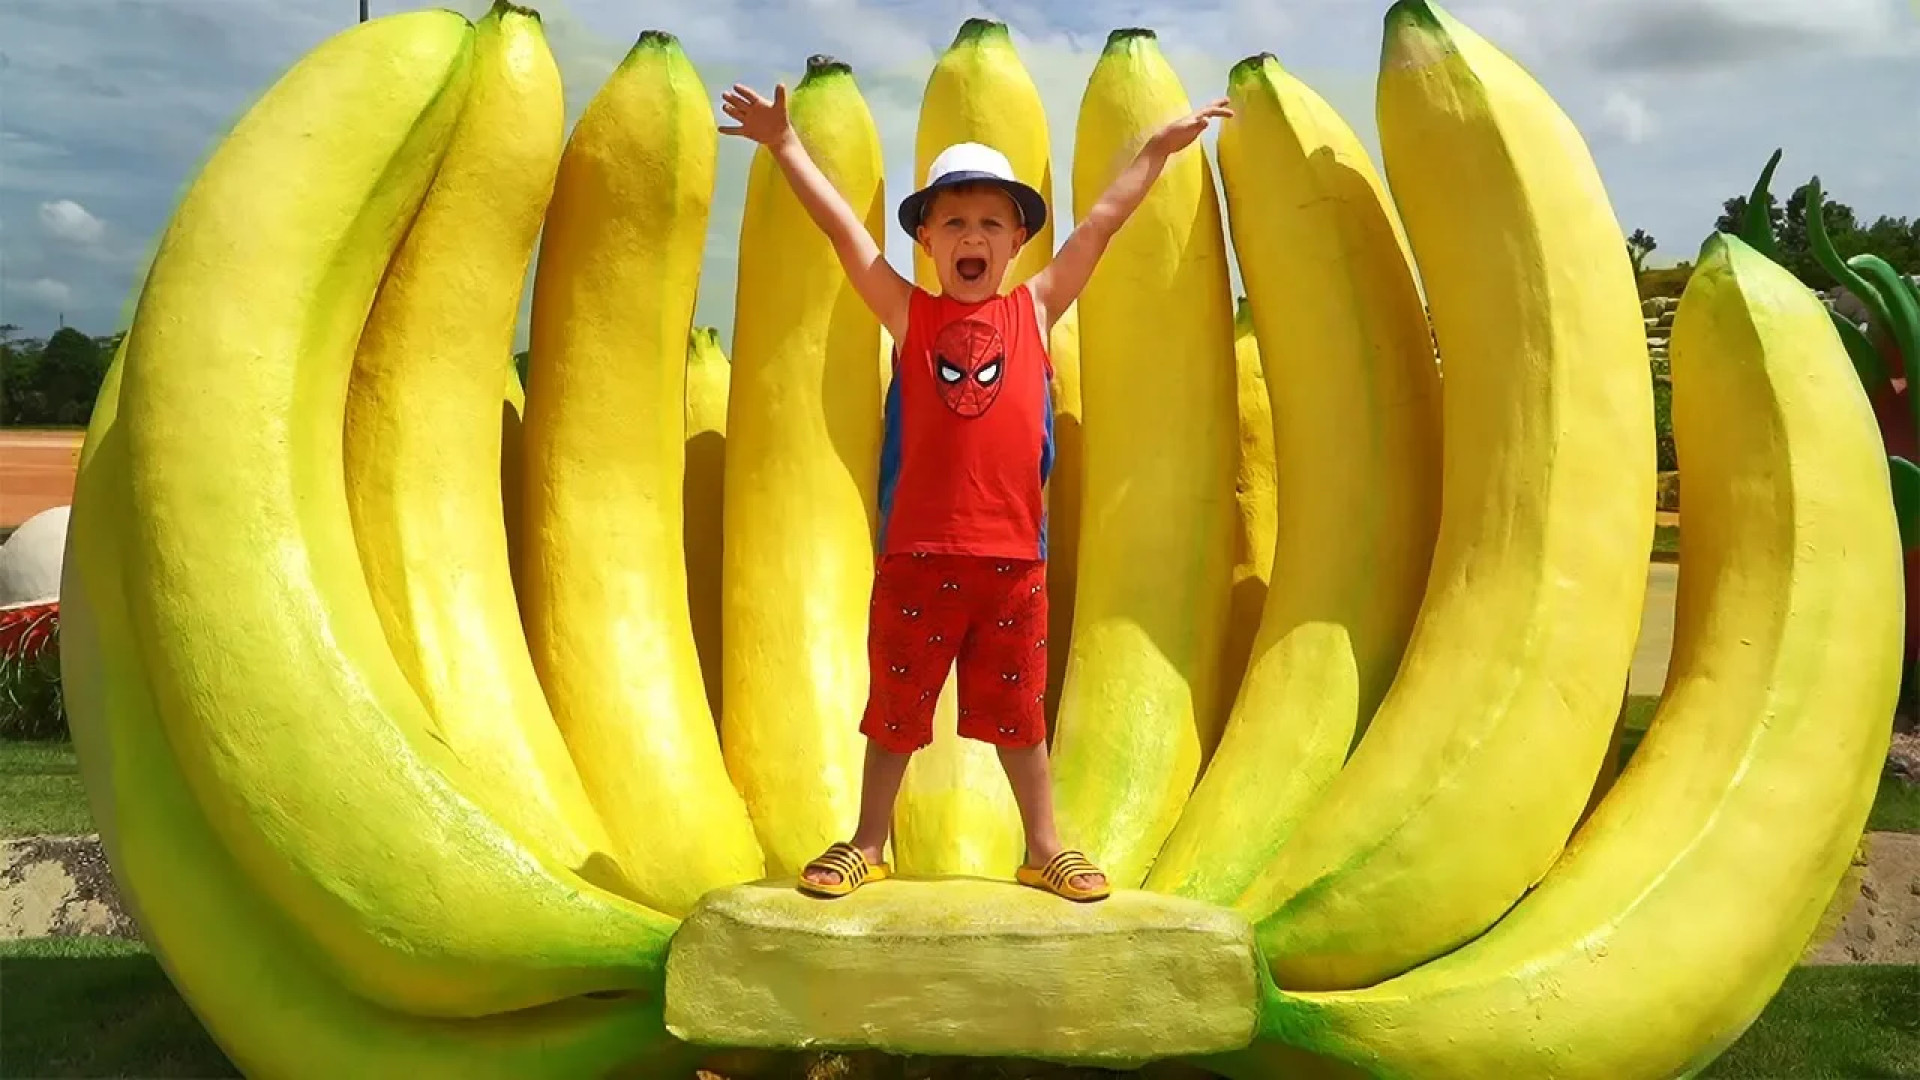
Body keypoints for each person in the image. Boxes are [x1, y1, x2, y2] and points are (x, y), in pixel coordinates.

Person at [718, 77, 1231, 901]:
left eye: (991, 222)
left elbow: (1102, 223)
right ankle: (867, 843)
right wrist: (784, 146)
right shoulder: (909, 315)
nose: (972, 236)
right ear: (925, 239)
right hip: (917, 559)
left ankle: (1045, 848)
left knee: (1020, 722)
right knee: (895, 715)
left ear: (1018, 239)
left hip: (1013, 564)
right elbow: (844, 233)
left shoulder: (1037, 308)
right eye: (953, 221)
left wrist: (1157, 151)